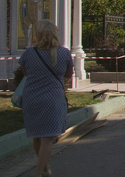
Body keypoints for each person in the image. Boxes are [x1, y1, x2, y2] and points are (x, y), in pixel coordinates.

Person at [17, 20, 73, 177]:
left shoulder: (29, 53)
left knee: (37, 136)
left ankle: (45, 167)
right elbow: (68, 75)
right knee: (47, 139)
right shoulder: (64, 53)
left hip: (31, 98)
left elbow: (25, 72)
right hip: (53, 99)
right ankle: (38, 173)